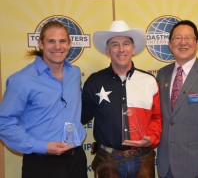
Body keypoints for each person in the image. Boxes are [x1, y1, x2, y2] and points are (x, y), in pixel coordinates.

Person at [0, 20, 87, 178]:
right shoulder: (22, 79)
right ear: (40, 44)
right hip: (41, 163)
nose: (57, 47)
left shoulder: (74, 73)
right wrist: (42, 146)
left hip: (76, 159)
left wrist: (79, 133)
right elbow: (4, 122)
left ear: (69, 44)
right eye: (51, 41)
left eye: (62, 41)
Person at [81, 20, 162, 178]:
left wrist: (151, 138)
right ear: (107, 50)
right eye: (115, 44)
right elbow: (80, 116)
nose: (121, 49)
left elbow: (157, 117)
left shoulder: (149, 80)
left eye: (126, 44)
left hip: (143, 159)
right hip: (108, 161)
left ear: (133, 49)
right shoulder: (94, 81)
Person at [156, 20, 198, 178]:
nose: (183, 42)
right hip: (165, 166)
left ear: (197, 43)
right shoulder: (162, 74)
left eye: (188, 38)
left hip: (197, 167)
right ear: (169, 43)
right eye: (177, 38)